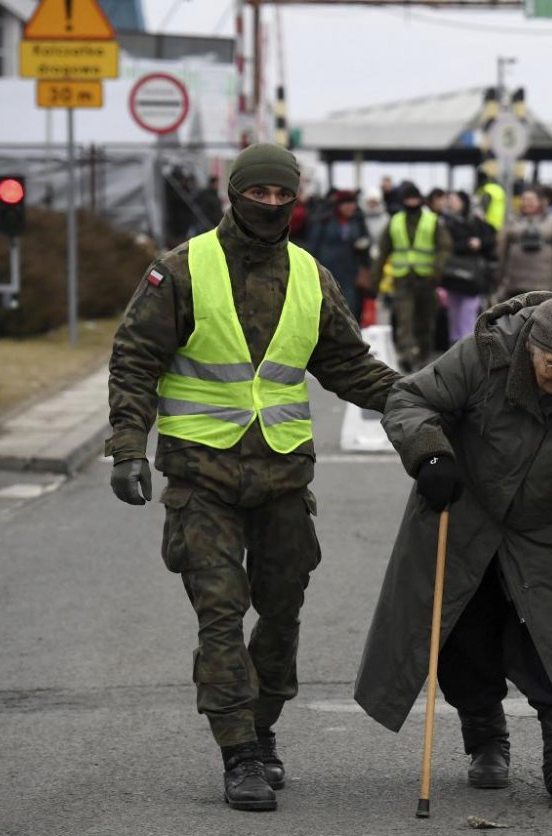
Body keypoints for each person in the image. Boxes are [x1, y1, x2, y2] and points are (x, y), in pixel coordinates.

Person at [105, 143, 402, 813]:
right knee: (220, 613)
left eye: (281, 195)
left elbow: (350, 367)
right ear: (233, 195)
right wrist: (127, 445)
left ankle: (264, 728)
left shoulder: (311, 276)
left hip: (282, 478)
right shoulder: (182, 269)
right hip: (201, 477)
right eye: (257, 193)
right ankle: (238, 751)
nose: (269, 205)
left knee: (283, 613)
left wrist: (424, 397)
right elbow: (134, 358)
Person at [355, 290, 552, 804]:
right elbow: (409, 399)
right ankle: (485, 739)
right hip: (468, 515)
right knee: (463, 634)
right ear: (533, 346)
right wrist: (430, 455)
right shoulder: (486, 352)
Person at [376, 183, 453, 370]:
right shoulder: (395, 221)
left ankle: (423, 355)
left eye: (414, 198)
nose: (412, 202)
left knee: (425, 321)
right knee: (405, 319)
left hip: (427, 279)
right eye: (408, 198)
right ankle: (408, 355)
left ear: (420, 199)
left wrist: (437, 270)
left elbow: (444, 246)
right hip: (402, 279)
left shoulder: (431, 220)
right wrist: (375, 278)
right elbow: (383, 250)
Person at [439, 190, 497, 343]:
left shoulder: (475, 221)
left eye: (454, 199)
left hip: (472, 277)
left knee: (468, 312)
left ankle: (467, 345)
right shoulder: (443, 222)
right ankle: (456, 345)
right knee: (454, 312)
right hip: (452, 275)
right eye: (449, 200)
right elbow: (445, 245)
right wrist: (466, 244)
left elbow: (491, 238)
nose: (450, 203)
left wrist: (480, 243)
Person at [307, 189, 372, 321]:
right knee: (328, 309)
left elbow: (365, 240)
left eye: (352, 204)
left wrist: (363, 246)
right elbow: (313, 245)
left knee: (350, 309)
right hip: (327, 272)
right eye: (346, 204)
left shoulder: (357, 221)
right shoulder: (324, 221)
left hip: (350, 274)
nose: (350, 207)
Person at [496, 188, 552, 299]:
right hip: (515, 284)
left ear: (540, 202)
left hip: (544, 284)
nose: (526, 203)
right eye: (524, 199)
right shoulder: (512, 221)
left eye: (530, 199)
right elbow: (502, 251)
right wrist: (499, 277)